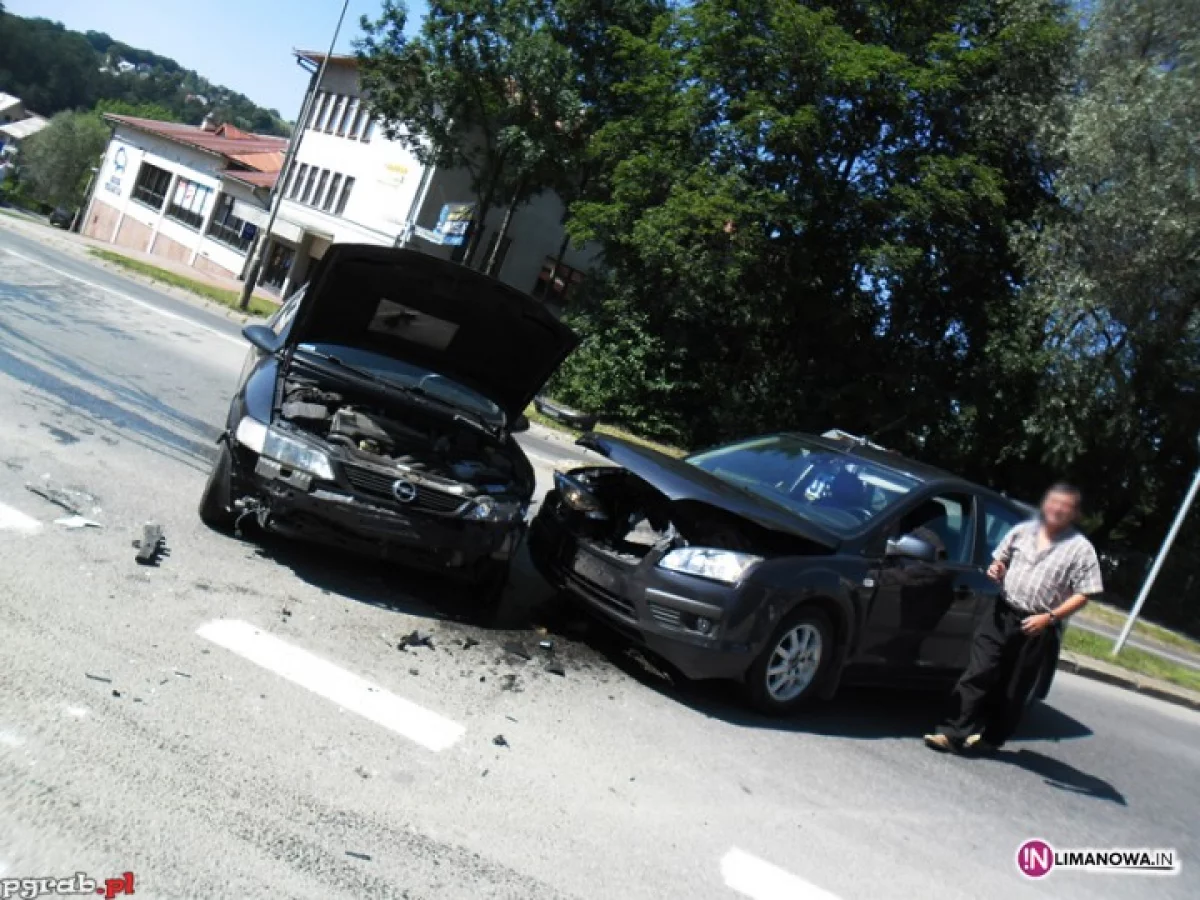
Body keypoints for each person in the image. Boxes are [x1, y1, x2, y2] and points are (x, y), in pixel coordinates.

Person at [924, 483, 1103, 754]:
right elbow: (1000, 561)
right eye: (1053, 502)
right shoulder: (1022, 531)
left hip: (1036, 625)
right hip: (1001, 611)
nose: (1056, 509)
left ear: (1074, 514)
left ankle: (992, 737)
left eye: (1064, 507)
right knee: (978, 671)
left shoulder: (1081, 550)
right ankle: (951, 732)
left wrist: (1050, 617)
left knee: (1013, 687)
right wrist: (996, 570)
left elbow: (1085, 593)